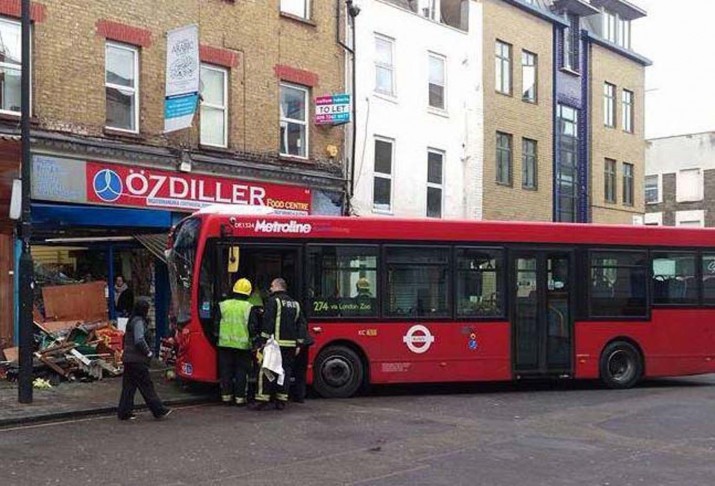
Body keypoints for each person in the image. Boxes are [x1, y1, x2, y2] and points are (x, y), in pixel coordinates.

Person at [254, 278, 307, 411]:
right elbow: (301, 325)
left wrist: (262, 341)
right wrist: (299, 344)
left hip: (274, 345)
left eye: (272, 286)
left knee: (266, 370)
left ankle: (263, 399)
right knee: (284, 372)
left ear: (278, 286)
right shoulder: (295, 304)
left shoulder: (273, 301)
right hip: (290, 345)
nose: (270, 288)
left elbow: (268, 322)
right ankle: (281, 400)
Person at [118, 298, 172, 421]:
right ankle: (158, 410)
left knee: (129, 387)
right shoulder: (138, 322)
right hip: (137, 360)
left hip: (128, 359)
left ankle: (124, 412)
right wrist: (148, 352)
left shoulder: (132, 320)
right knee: (146, 385)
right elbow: (139, 340)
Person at [217, 278, 261, 405]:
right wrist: (255, 342)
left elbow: (216, 325)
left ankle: (226, 398)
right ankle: (240, 399)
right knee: (241, 372)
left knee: (226, 372)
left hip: (224, 345)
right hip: (243, 346)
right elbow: (253, 327)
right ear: (248, 293)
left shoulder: (223, 305)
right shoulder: (249, 307)